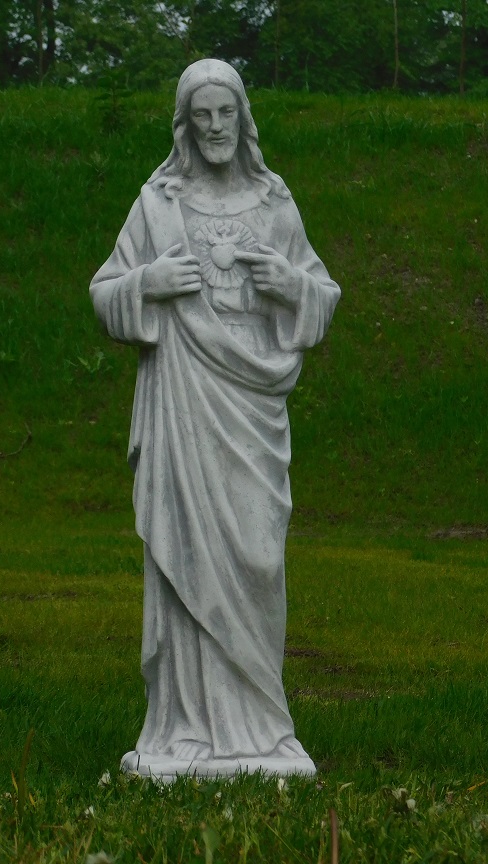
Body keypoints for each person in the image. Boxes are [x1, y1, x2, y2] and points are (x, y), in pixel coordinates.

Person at [90, 58, 340, 779]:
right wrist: (149, 282)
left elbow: (322, 293)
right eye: (201, 116)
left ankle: (263, 726)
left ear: (243, 116)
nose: (215, 127)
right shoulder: (158, 206)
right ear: (185, 125)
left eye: (225, 113)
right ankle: (186, 728)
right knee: (188, 556)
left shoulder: (274, 203)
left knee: (259, 555)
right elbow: (104, 291)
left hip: (253, 406)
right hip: (184, 401)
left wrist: (288, 283)